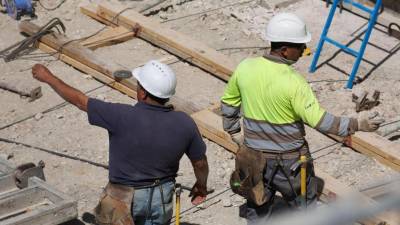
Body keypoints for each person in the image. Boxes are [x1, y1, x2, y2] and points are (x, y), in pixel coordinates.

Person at [221, 13, 384, 223]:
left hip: (254, 156)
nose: (303, 52)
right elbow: (322, 122)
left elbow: (229, 102)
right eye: (300, 47)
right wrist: (357, 123)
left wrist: (234, 132)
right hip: (290, 163)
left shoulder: (245, 67)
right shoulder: (294, 82)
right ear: (285, 50)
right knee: (303, 207)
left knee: (258, 203)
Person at [32, 60, 209, 225]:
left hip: (122, 198)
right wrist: (201, 186)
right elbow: (200, 163)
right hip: (160, 197)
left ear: (143, 92)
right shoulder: (185, 122)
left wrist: (48, 77)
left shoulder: (119, 115)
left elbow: (79, 101)